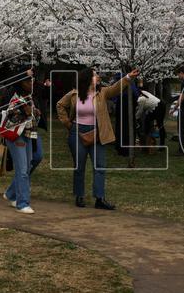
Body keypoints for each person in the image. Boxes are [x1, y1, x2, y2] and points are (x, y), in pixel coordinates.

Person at [56, 66, 140, 210]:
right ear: (88, 79)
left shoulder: (102, 92)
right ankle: (79, 195)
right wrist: (67, 123)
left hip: (98, 133)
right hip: (77, 132)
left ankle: (100, 198)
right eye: (95, 75)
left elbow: (115, 88)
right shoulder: (74, 94)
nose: (98, 77)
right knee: (79, 167)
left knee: (99, 166)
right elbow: (60, 105)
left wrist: (128, 77)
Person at [0, 71, 42, 213]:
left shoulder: (29, 97)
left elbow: (33, 118)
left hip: (29, 135)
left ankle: (12, 194)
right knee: (23, 169)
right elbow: (10, 119)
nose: (31, 83)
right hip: (17, 136)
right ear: (20, 83)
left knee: (27, 165)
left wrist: (35, 113)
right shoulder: (15, 99)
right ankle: (22, 203)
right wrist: (25, 112)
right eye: (28, 81)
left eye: (32, 80)